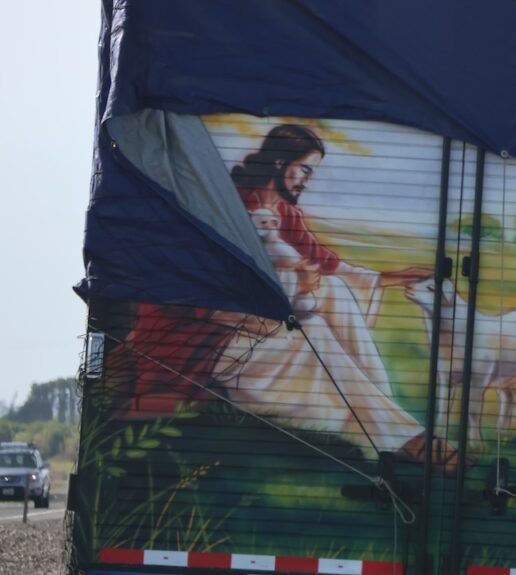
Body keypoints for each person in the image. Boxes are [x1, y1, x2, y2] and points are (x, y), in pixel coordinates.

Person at [124, 124, 468, 474]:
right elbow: (207, 295)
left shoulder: (283, 213)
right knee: (314, 330)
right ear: (279, 162)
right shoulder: (227, 209)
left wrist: (394, 277)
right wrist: (292, 292)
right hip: (208, 339)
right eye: (304, 169)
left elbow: (325, 263)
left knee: (336, 292)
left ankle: (382, 413)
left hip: (259, 324)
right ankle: (403, 435)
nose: (307, 180)